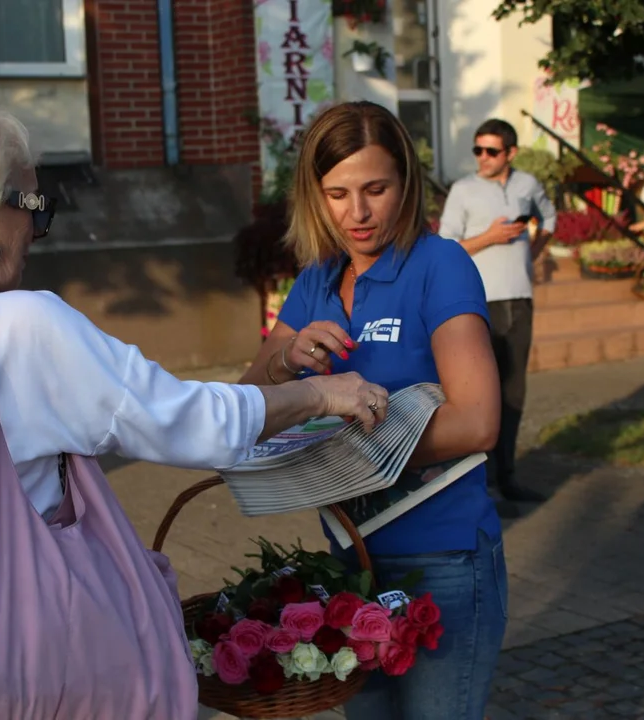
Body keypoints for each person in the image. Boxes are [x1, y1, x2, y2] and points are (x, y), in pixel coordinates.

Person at [0, 98, 386, 620]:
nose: (36, 225)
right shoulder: (17, 327)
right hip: (9, 652)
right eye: (32, 205)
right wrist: (319, 394)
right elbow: (193, 421)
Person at [239, 101, 504, 720]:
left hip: (443, 561)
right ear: (314, 195)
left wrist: (337, 456)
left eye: (375, 189)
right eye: (337, 194)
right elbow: (247, 410)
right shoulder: (316, 280)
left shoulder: (440, 264)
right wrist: (286, 358)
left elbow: (478, 421)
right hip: (351, 562)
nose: (356, 213)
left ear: (406, 185)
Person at [437, 118, 556, 516]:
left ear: (510, 153)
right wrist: (489, 238)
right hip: (477, 304)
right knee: (478, 394)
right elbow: (446, 246)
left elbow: (550, 221)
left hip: (519, 299)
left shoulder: (527, 184)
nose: (482, 158)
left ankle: (508, 477)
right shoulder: (463, 190)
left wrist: (532, 254)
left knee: (514, 391)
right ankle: (480, 486)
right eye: (478, 150)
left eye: (491, 151)